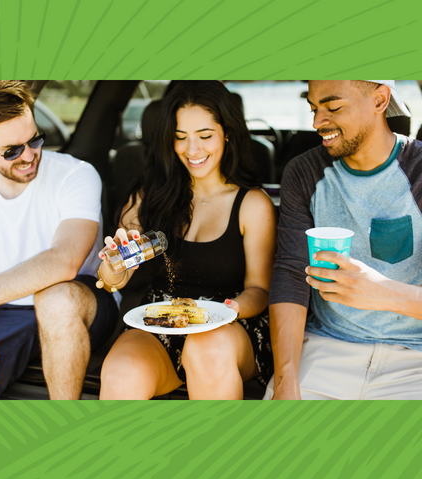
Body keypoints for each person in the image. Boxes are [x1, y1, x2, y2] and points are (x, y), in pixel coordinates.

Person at [98, 81, 277, 400]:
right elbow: (115, 278)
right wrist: (114, 268)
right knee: (121, 370)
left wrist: (228, 310)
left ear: (228, 134)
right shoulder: (147, 197)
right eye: (180, 138)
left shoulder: (252, 205)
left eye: (205, 136)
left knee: (205, 348)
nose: (192, 150)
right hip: (159, 318)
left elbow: (260, 291)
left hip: (231, 325)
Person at [0, 81, 118, 400]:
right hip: (9, 310)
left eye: (35, 140)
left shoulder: (76, 175)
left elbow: (65, 261)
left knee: (56, 301)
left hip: (84, 299)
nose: (29, 156)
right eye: (12, 150)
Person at [264, 80, 422, 400]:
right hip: (326, 351)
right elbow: (292, 272)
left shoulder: (417, 169)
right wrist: (285, 380)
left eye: (333, 108)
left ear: (379, 101)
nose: (317, 122)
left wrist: (383, 293)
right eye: (313, 108)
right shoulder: (304, 172)